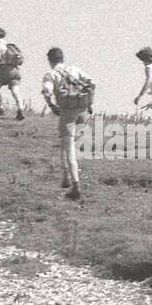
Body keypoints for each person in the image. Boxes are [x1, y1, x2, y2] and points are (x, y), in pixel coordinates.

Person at [41, 47, 95, 200]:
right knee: (65, 143)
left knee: (69, 147)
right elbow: (92, 83)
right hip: (82, 110)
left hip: (67, 112)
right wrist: (89, 104)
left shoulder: (50, 74)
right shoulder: (75, 69)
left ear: (50, 60)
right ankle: (65, 175)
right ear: (62, 58)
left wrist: (52, 106)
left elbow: (47, 91)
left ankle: (75, 185)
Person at [0, 27, 25, 119]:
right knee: (15, 90)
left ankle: (1, 109)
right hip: (15, 70)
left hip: (4, 70)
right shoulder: (9, 45)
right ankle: (20, 108)